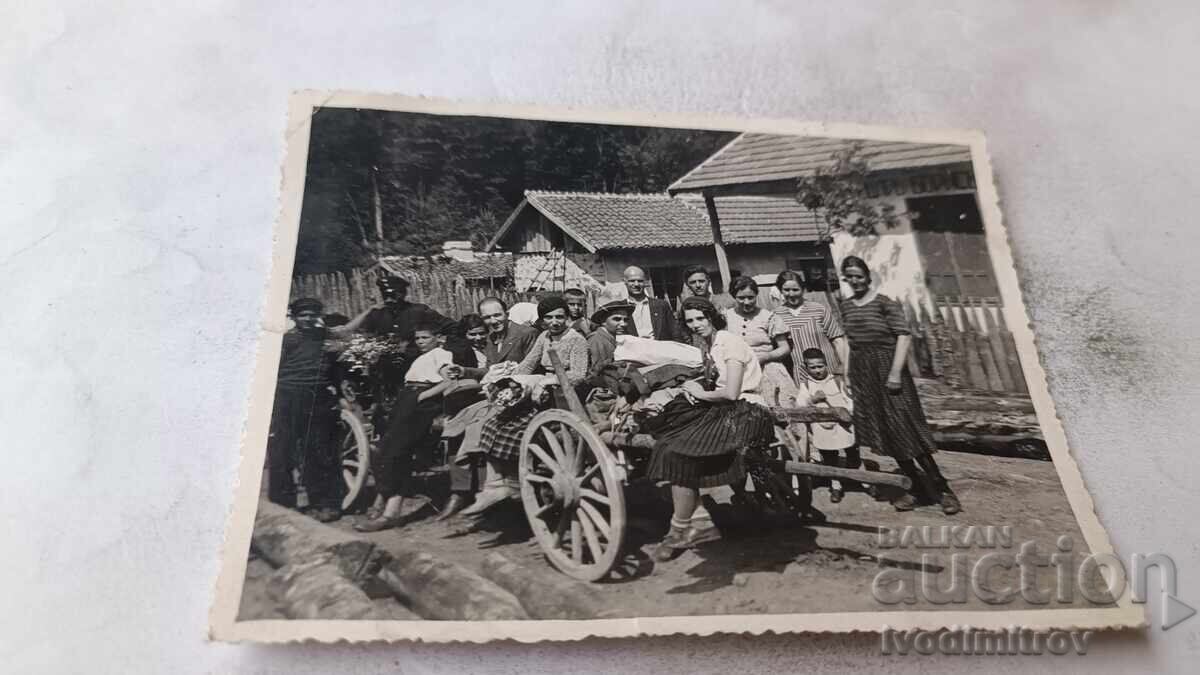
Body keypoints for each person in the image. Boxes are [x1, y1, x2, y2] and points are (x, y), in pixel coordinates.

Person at [644, 296, 777, 561]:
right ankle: (700, 522)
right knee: (668, 443)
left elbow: (730, 392)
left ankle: (680, 529)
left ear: (711, 317)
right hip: (727, 410)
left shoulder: (730, 343)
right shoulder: (709, 345)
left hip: (749, 411)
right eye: (690, 320)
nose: (695, 325)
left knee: (678, 453)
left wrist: (699, 394)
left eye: (700, 319)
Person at [838, 256, 961, 515]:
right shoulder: (846, 305)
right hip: (863, 373)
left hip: (888, 368)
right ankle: (916, 486)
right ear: (845, 279)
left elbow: (903, 336)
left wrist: (894, 373)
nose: (855, 281)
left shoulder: (884, 303)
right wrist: (848, 374)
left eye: (859, 276)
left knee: (906, 428)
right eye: (849, 276)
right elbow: (850, 342)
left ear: (867, 277)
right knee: (886, 431)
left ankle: (942, 490)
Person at [461, 295, 590, 516]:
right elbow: (528, 365)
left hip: (564, 395)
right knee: (495, 422)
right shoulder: (544, 337)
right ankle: (497, 484)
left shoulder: (576, 339)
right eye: (548, 318)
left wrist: (548, 380)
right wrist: (507, 378)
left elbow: (579, 375)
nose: (555, 322)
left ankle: (511, 483)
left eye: (560, 317)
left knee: (518, 427)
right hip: (543, 390)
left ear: (567, 317)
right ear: (542, 320)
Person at [437, 298, 538, 520]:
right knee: (459, 423)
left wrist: (511, 380)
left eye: (497, 315)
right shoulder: (492, 339)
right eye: (488, 317)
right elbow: (489, 371)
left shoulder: (524, 334)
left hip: (523, 395)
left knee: (481, 423)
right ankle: (464, 490)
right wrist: (463, 371)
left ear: (506, 313)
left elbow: (534, 366)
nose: (493, 321)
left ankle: (495, 487)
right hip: (498, 395)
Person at [355, 321, 459, 532]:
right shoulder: (422, 357)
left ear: (438, 338)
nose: (421, 342)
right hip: (408, 398)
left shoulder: (441, 354)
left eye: (425, 337)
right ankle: (382, 502)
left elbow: (448, 382)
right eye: (418, 338)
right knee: (386, 448)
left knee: (397, 451)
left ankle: (391, 512)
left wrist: (421, 396)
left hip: (420, 402)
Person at [266, 298, 344, 522]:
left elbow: (346, 337)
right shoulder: (285, 341)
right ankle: (282, 505)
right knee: (282, 449)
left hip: (316, 396)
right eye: (303, 315)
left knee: (317, 449)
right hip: (287, 396)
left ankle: (323, 503)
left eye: (312, 315)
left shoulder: (324, 338)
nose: (308, 319)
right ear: (294, 318)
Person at [796, 348, 861, 503]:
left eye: (820, 366)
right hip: (822, 428)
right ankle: (836, 485)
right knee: (830, 458)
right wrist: (813, 399)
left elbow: (850, 401)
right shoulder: (806, 385)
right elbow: (800, 405)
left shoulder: (837, 381)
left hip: (843, 426)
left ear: (826, 364)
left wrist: (847, 413)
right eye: (813, 367)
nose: (817, 370)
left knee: (853, 454)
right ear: (806, 368)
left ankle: (865, 481)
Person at [724, 276, 797, 407]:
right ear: (734, 297)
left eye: (751, 297)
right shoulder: (726, 317)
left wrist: (765, 357)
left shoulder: (768, 317)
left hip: (767, 370)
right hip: (737, 372)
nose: (746, 302)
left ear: (756, 295)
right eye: (741, 298)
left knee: (779, 409)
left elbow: (784, 347)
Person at [770, 270, 849, 386]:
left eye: (795, 290)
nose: (791, 294)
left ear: (803, 289)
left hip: (828, 370)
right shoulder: (776, 315)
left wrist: (846, 370)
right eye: (786, 290)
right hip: (800, 375)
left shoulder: (819, 309)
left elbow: (838, 341)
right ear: (781, 291)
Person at [622, 266, 675, 341]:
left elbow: (675, 332)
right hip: (634, 350)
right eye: (632, 281)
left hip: (659, 349)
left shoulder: (661, 305)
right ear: (625, 281)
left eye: (640, 281)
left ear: (645, 282)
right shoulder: (621, 308)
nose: (636, 284)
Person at [586, 299, 634, 378]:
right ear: (603, 321)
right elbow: (593, 373)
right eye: (617, 319)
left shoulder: (615, 339)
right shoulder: (596, 340)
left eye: (625, 320)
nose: (623, 324)